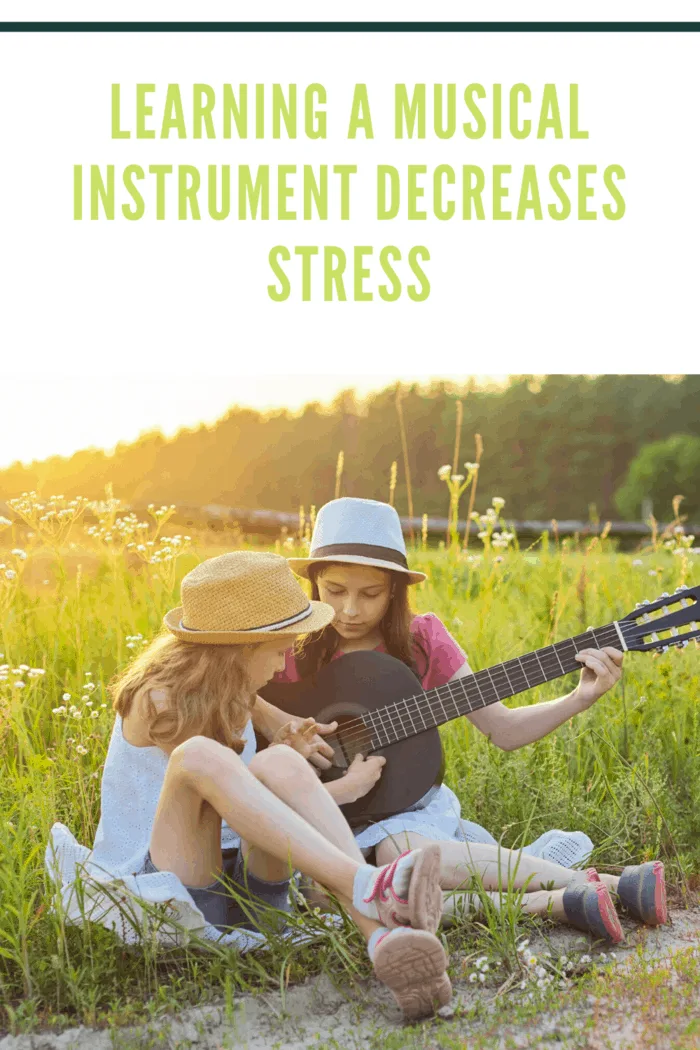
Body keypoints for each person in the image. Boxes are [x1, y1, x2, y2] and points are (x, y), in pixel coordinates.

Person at [47, 551, 453, 1021]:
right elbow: (225, 801)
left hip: (249, 895)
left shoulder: (234, 690)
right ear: (241, 649)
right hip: (172, 894)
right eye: (278, 649)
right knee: (197, 757)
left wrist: (286, 754)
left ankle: (382, 938)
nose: (283, 666)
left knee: (280, 760)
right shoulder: (159, 701)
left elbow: (254, 798)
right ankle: (367, 884)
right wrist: (343, 791)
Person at [273, 497, 668, 943]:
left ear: (395, 590)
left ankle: (609, 887)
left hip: (402, 811)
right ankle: (559, 903)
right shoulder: (289, 645)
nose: (348, 610)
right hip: (318, 809)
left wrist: (579, 698)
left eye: (369, 594)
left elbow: (503, 730)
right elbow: (235, 707)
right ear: (313, 584)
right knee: (331, 894)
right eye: (334, 590)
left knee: (400, 856)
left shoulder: (423, 640)